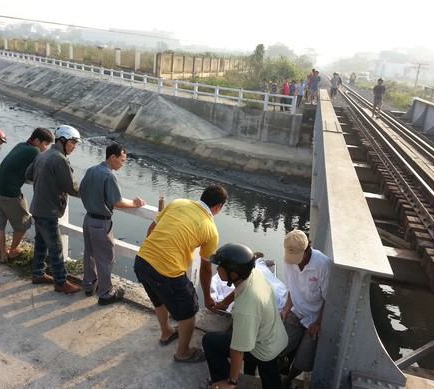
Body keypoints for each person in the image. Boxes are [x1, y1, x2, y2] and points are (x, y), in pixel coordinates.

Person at [134, 184, 227, 362]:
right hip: (167, 271)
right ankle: (183, 353)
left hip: (142, 261)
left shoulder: (178, 202)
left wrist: (153, 256)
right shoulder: (210, 229)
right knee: (189, 311)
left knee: (158, 299)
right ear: (218, 207)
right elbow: (206, 268)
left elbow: (151, 230)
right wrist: (207, 297)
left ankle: (166, 332)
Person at [202, 244, 288, 389]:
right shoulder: (253, 274)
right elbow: (239, 289)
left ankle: (221, 382)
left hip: (262, 349)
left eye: (220, 267)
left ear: (233, 273)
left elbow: (237, 349)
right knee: (270, 376)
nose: (217, 269)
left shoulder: (245, 309)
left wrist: (232, 382)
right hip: (276, 337)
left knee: (210, 342)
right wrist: (224, 303)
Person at [80, 142, 146, 306]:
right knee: (105, 259)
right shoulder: (109, 175)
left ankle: (89, 285)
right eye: (122, 160)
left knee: (89, 253)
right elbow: (117, 202)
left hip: (88, 219)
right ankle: (105, 294)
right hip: (101, 222)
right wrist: (136, 204)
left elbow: (81, 190)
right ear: (112, 157)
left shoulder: (91, 170)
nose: (123, 164)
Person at [25, 125, 82, 294]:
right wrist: (90, 191)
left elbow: (28, 175)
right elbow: (72, 187)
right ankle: (61, 282)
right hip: (48, 210)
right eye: (73, 143)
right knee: (56, 248)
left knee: (41, 243)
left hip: (38, 206)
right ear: (63, 141)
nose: (74, 147)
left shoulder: (43, 154)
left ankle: (38, 273)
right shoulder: (59, 159)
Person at [0, 128, 54, 262]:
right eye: (45, 144)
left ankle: (2, 254)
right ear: (37, 141)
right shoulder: (34, 151)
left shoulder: (20, 145)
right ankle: (12, 251)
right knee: (24, 224)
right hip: (9, 193)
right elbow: (39, 170)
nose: (46, 148)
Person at [281, 230, 332, 385]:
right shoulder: (289, 261)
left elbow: (328, 299)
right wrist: (286, 308)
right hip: (297, 309)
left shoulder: (323, 265)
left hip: (315, 317)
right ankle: (284, 364)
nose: (295, 262)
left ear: (307, 250)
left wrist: (318, 323)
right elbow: (291, 287)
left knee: (304, 359)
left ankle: (288, 379)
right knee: (281, 345)